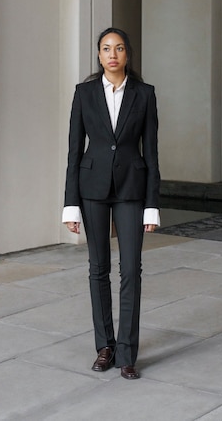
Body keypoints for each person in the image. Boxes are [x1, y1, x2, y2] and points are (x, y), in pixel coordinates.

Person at [62, 27, 160, 380]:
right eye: (106, 48)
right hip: (91, 188)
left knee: (131, 270)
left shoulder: (144, 95)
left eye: (119, 48)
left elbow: (152, 152)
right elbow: (74, 151)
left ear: (127, 54)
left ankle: (127, 352)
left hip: (133, 189)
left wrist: (153, 204)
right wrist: (70, 204)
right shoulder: (84, 93)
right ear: (99, 55)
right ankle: (105, 345)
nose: (113, 54)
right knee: (98, 268)